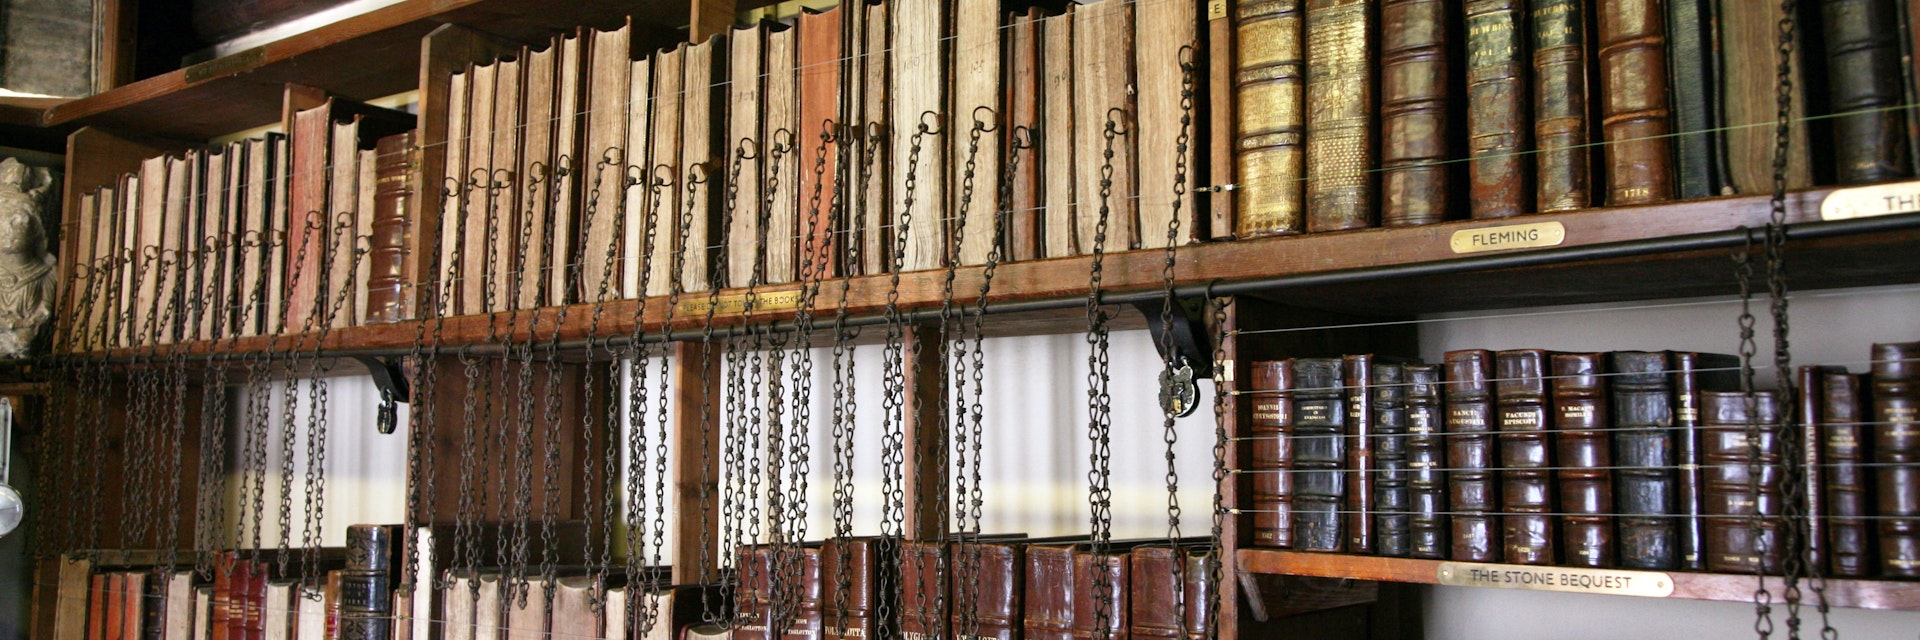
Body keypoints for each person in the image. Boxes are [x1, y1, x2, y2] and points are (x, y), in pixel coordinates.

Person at [0, 159, 56, 357]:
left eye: (19, 218)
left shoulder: (45, 272)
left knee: (23, 343)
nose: (10, 227)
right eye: (3, 217)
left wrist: (28, 323)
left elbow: (44, 311)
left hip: (24, 338)